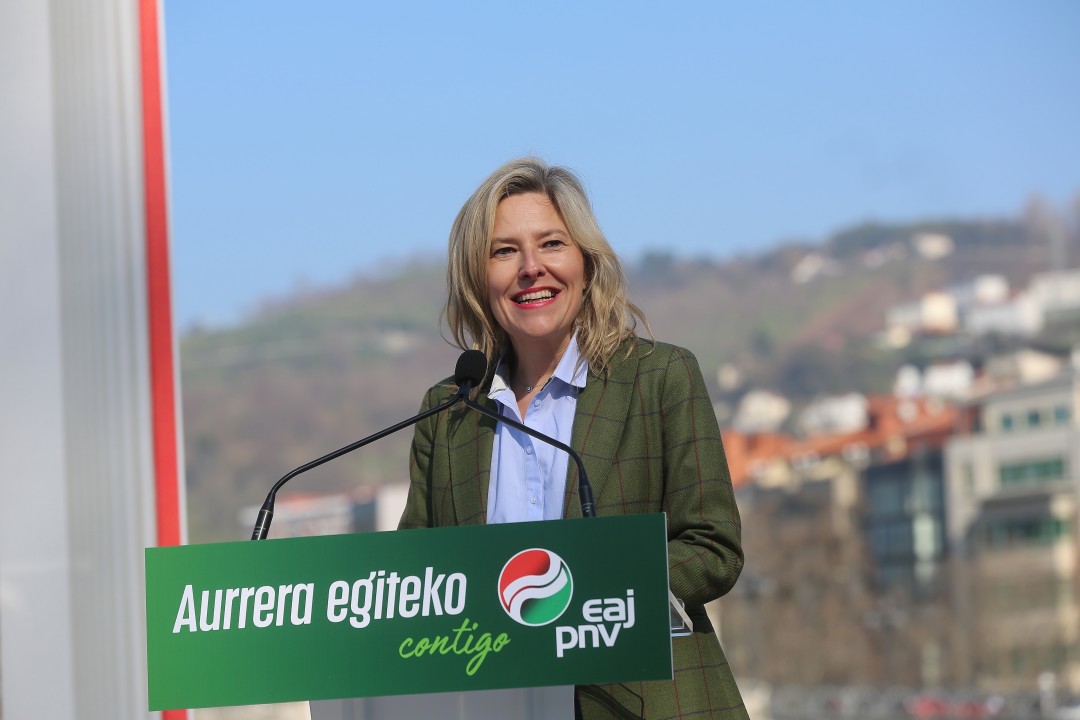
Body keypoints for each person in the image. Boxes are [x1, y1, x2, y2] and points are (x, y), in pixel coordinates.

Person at [399, 157, 748, 720]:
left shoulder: (661, 377)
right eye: (504, 251)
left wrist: (585, 596)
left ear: (586, 262)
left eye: (552, 244)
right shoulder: (448, 411)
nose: (531, 268)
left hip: (644, 703)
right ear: (477, 277)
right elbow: (415, 583)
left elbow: (713, 547)